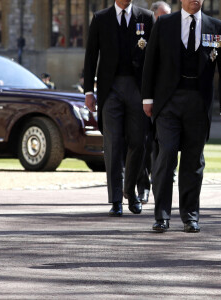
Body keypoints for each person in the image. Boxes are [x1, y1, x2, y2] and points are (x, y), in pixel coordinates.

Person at [141, 0, 221, 233]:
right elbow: (150, 61)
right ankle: (161, 215)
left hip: (198, 103)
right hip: (168, 101)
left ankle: (190, 216)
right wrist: (147, 98)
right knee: (166, 154)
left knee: (193, 160)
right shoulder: (164, 24)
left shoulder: (216, 27)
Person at [83, 0, 155, 217]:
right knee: (113, 144)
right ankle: (116, 200)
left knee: (138, 142)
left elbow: (153, 57)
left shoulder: (146, 17)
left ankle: (130, 190)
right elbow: (91, 56)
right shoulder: (100, 18)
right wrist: (88, 91)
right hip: (110, 89)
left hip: (137, 89)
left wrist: (153, 93)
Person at [136, 1, 172, 205]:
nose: (166, 20)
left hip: (165, 102)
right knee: (143, 143)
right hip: (144, 99)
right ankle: (143, 188)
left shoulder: (173, 36)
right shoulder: (143, 37)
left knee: (162, 146)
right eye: (161, 16)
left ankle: (159, 186)